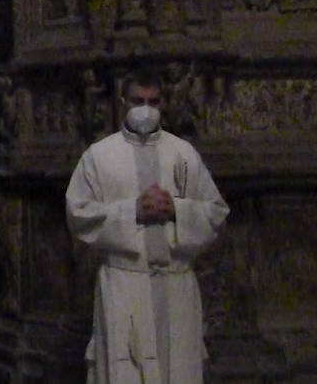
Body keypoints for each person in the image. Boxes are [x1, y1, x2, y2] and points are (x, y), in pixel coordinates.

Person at [65, 67, 230, 383]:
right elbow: (78, 214)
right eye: (138, 100)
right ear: (123, 101)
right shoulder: (99, 157)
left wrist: (177, 211)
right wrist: (133, 211)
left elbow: (216, 212)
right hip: (125, 283)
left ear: (163, 104)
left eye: (153, 101)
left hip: (176, 284)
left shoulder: (184, 155)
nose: (146, 109)